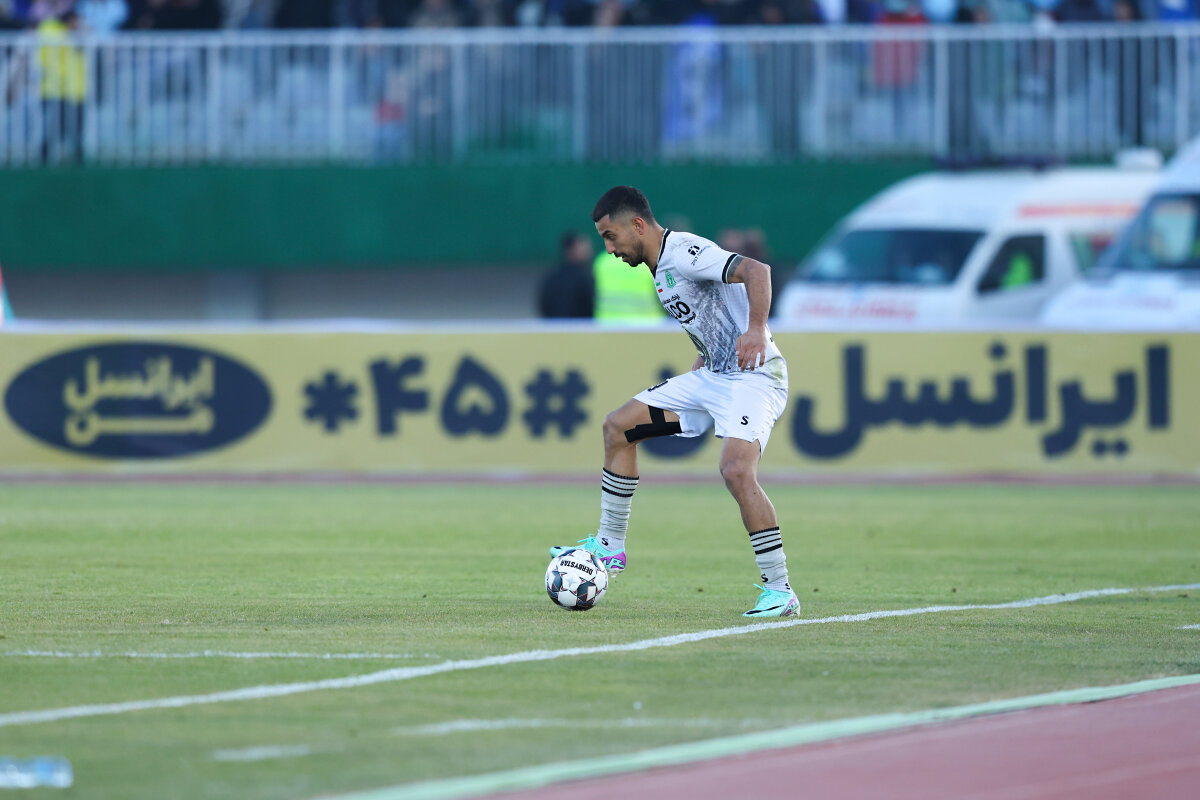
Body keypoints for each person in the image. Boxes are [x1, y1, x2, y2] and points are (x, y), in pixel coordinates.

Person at [550, 185, 798, 618]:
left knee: (736, 471)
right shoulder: (659, 266)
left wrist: (757, 330)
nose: (608, 249)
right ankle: (610, 548)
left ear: (637, 225)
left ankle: (780, 590)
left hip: (754, 378)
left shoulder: (684, 252)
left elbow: (757, 271)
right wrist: (705, 355)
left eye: (610, 236)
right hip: (712, 377)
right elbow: (712, 314)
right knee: (618, 427)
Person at [538, 231, 596, 319]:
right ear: (571, 249)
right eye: (582, 245)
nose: (588, 249)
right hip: (579, 325)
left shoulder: (552, 276)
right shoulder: (585, 278)